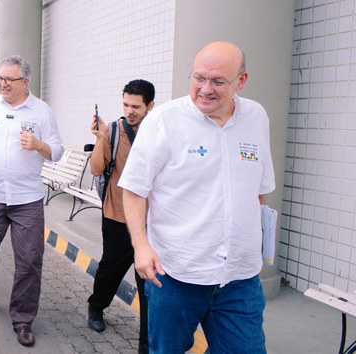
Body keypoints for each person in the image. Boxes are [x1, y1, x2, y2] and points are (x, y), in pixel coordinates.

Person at [119, 41, 275, 353]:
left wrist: (253, 238)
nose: (205, 89)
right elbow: (135, 190)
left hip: (239, 279)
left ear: (240, 81)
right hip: (175, 275)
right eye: (198, 78)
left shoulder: (256, 117)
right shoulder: (164, 121)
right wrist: (141, 246)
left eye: (218, 81)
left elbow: (258, 191)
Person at [0, 55, 64, 347]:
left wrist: (39, 145)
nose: (3, 84)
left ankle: (22, 319)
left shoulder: (42, 111)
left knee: (29, 260)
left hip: (26, 199)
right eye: (0, 78)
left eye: (9, 79)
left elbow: (56, 151)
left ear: (25, 82)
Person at [86, 79, 155, 354]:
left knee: (149, 284)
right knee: (110, 269)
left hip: (152, 222)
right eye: (126, 104)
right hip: (116, 215)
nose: (130, 110)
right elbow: (96, 169)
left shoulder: (160, 131)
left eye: (136, 106)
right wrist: (100, 138)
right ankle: (96, 307)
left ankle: (146, 344)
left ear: (150, 105)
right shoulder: (114, 131)